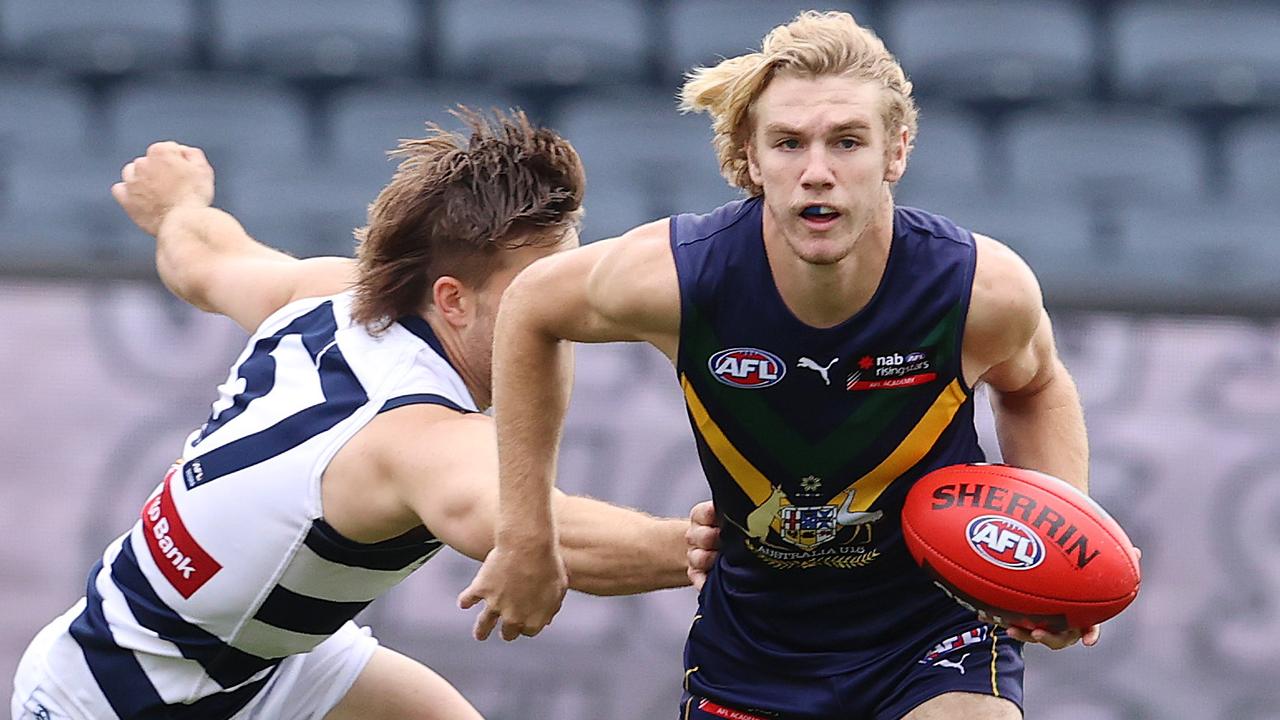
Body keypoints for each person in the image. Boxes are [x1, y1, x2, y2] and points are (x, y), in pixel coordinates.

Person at [460, 11, 1103, 720]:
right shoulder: (681, 278)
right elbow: (530, 310)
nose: (817, 173)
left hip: (932, 634)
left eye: (848, 142)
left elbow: (1035, 384)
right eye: (789, 144)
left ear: (897, 152)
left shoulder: (977, 289)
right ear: (752, 156)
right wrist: (527, 535)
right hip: (754, 649)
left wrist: (1050, 552)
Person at [11, 110, 715, 720]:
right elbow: (541, 530)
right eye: (534, 288)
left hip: (259, 661)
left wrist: (177, 205)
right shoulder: (418, 437)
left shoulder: (332, 293)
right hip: (111, 695)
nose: (560, 301)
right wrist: (732, 550)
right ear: (453, 299)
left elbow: (204, 257)